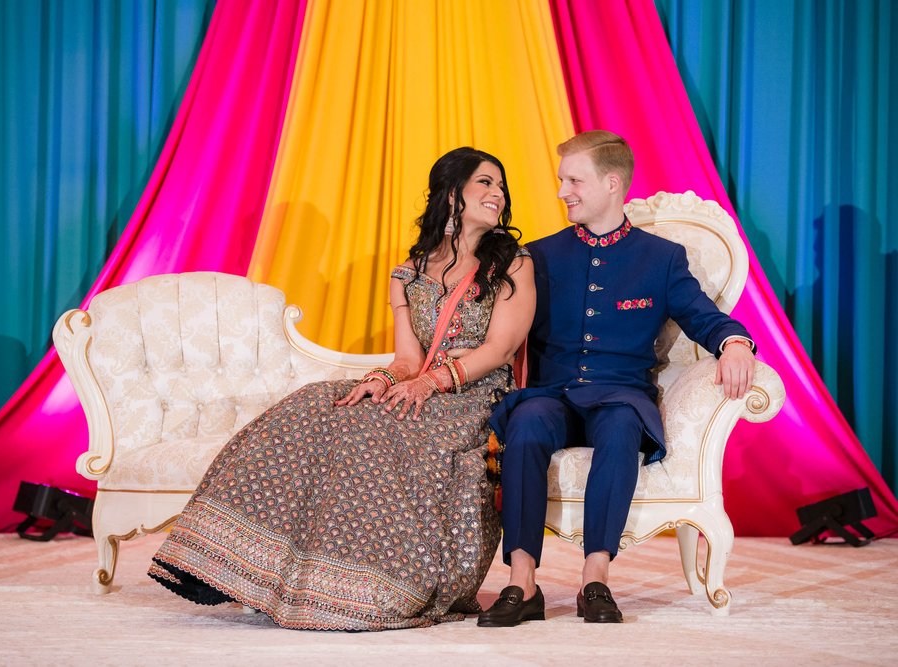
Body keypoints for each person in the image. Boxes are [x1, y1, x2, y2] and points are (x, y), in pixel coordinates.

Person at [149, 147, 535, 631]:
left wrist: (430, 384)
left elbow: (500, 349)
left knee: (371, 434)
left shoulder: (512, 264)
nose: (497, 194)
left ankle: (374, 582)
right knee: (319, 405)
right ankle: (242, 567)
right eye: (485, 182)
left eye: (501, 185)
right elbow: (408, 359)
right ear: (451, 192)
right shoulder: (409, 272)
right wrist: (381, 381)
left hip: (473, 401)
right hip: (421, 388)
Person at [479, 130, 756, 626]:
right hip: (553, 394)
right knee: (526, 424)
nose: (562, 190)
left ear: (611, 184)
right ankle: (521, 582)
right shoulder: (538, 257)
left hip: (620, 397)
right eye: (562, 179)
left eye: (573, 180)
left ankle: (596, 578)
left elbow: (703, 316)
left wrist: (735, 343)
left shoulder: (661, 258)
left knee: (623, 425)